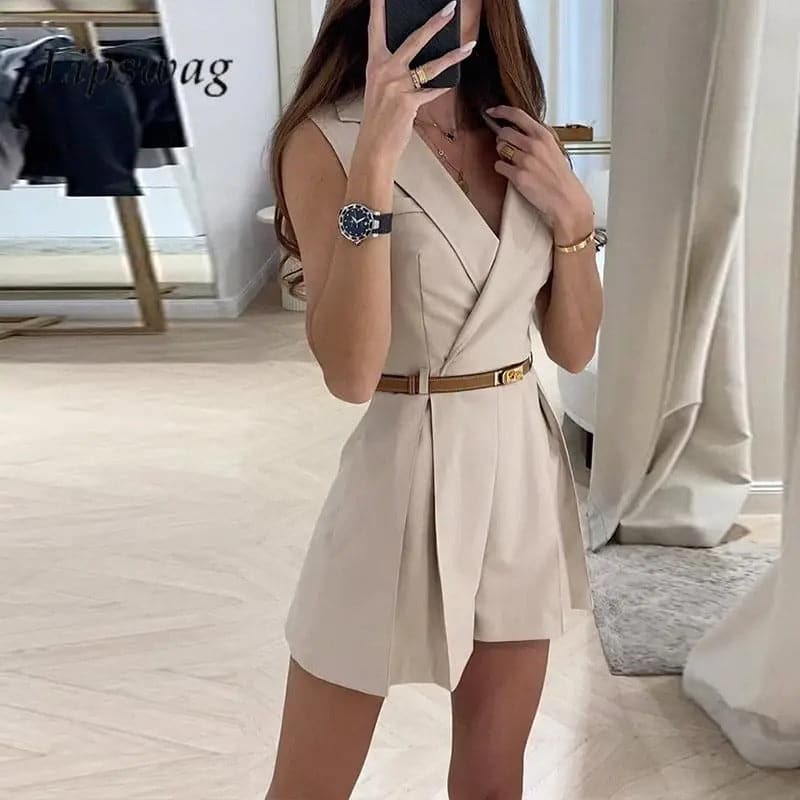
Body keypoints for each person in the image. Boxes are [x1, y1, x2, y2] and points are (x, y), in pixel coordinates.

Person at [266, 1, 603, 797]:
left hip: (518, 464)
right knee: (310, 787)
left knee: (493, 779)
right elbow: (350, 374)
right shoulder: (324, 139)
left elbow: (573, 348)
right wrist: (374, 164)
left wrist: (576, 219)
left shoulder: (521, 136)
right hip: (399, 472)